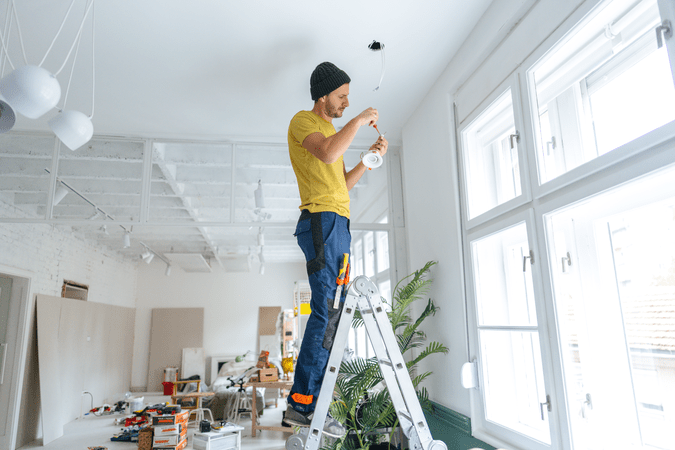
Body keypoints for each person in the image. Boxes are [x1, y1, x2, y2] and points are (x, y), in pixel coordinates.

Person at [282, 61, 388, 437]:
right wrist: (358, 121)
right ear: (323, 95)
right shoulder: (304, 122)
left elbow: (339, 183)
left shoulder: (330, 132)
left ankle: (311, 400)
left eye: (347, 98)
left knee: (334, 313)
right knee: (325, 309)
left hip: (338, 221)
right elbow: (326, 154)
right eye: (341, 96)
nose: (346, 102)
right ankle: (302, 404)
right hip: (321, 221)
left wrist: (368, 160)